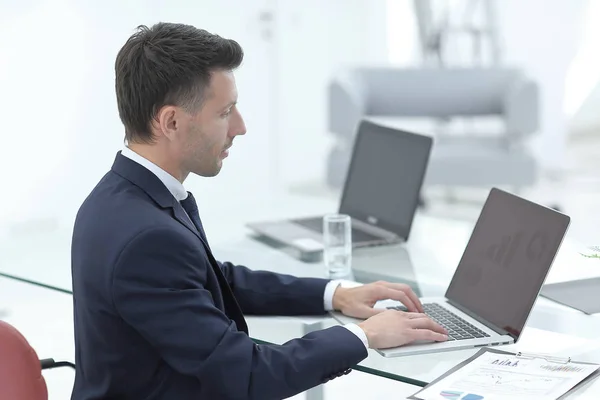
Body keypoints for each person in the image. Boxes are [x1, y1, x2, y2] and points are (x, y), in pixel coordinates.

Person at [70, 22, 447, 400]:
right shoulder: (146, 238)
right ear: (171, 121)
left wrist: (336, 294)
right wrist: (364, 335)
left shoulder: (121, 196)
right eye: (225, 112)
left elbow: (214, 281)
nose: (240, 127)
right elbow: (247, 376)